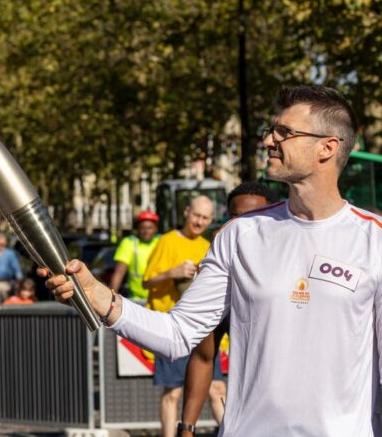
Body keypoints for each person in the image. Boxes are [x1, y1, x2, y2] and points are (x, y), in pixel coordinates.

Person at [41, 86, 380, 436]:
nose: (268, 141)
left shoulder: (375, 240)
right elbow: (178, 334)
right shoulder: (240, 234)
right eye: (270, 130)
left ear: (327, 147)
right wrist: (99, 296)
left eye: (285, 132)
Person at [179, 182, 278, 436]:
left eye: (254, 217)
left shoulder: (288, 273)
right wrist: (186, 429)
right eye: (236, 217)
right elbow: (203, 357)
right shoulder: (220, 279)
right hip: (243, 421)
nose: (242, 224)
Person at [139, 196, 221, 437]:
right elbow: (147, 281)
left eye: (205, 218)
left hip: (203, 329)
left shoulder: (209, 245)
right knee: (173, 392)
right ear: (186, 212)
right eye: (196, 215)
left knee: (217, 389)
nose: (199, 221)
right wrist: (171, 273)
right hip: (172, 326)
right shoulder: (167, 241)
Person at [109, 210, 161, 303]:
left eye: (150, 227)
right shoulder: (129, 243)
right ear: (137, 229)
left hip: (160, 300)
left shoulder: (162, 242)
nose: (146, 231)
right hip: (137, 301)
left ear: (156, 228)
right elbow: (119, 272)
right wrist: (111, 299)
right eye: (142, 228)